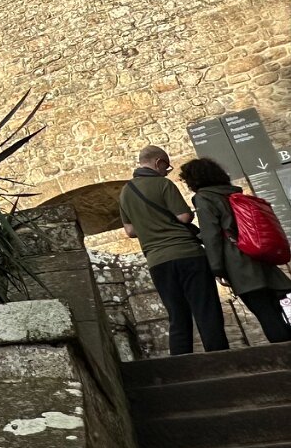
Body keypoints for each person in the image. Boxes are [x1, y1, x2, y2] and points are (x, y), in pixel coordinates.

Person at [120, 144, 227, 354]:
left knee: (177, 315)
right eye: (166, 167)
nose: (166, 172)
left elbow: (130, 231)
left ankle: (182, 362)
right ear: (158, 162)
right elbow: (184, 217)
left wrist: (150, 226)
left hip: (157, 261)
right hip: (187, 254)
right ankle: (222, 358)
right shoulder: (163, 184)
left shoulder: (125, 192)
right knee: (206, 310)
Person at [179, 157, 291, 344]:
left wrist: (217, 268)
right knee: (275, 310)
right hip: (259, 255)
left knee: (265, 312)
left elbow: (212, 234)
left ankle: (283, 354)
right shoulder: (232, 193)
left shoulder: (204, 198)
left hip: (238, 262)